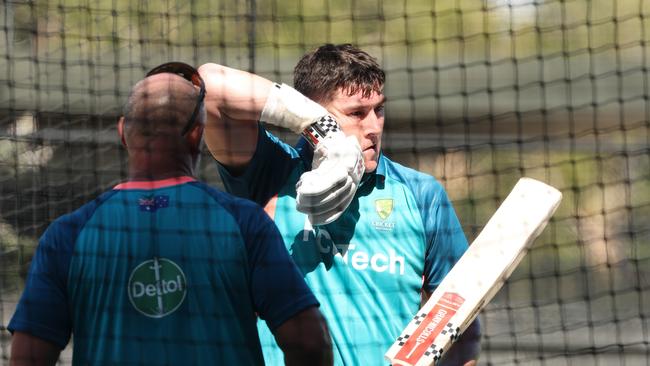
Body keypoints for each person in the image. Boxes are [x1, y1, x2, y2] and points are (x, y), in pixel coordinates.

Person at [8, 62, 332, 366]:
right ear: (198, 133)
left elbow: (27, 358)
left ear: (123, 133)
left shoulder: (68, 233)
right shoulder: (244, 223)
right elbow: (309, 343)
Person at [199, 44, 481, 365]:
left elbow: (462, 326)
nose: (373, 127)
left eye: (379, 110)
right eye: (356, 113)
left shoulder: (422, 194)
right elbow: (206, 86)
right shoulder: (271, 171)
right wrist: (322, 129)